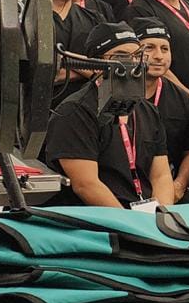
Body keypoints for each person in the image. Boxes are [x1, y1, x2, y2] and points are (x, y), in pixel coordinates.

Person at [45, 22, 175, 209]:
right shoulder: (73, 112)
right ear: (97, 65)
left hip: (146, 215)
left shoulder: (147, 110)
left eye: (137, 55)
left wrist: (162, 214)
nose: (132, 63)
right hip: (100, 218)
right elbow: (86, 185)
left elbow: (161, 176)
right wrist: (130, 222)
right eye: (121, 56)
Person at [34, 0, 110, 107]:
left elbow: (109, 70)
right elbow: (33, 74)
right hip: (36, 111)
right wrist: (89, 69)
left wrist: (64, 63)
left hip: (87, 111)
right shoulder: (23, 16)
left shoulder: (95, 19)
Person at [134, 21, 189, 204]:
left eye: (165, 49)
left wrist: (179, 185)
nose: (159, 56)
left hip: (168, 188)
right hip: (124, 192)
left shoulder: (180, 99)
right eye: (149, 48)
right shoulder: (114, 98)